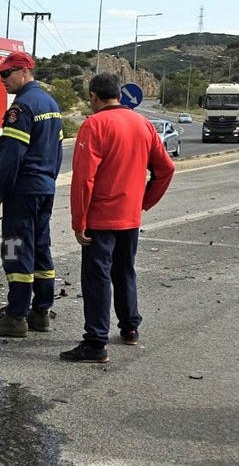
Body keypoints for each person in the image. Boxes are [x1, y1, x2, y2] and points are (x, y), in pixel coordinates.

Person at [61, 73, 175, 363]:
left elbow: (84, 179)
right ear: (120, 95)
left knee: (97, 278)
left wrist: (79, 222)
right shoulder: (143, 124)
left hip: (101, 219)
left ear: (93, 97)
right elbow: (166, 169)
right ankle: (130, 328)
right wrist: (144, 202)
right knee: (125, 271)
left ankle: (96, 343)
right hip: (130, 217)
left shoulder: (94, 125)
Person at [0, 51, 63, 337]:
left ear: (25, 72)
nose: (2, 80)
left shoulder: (21, 107)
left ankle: (16, 317)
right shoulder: (50, 104)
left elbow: (12, 156)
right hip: (44, 189)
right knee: (41, 247)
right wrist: (48, 181)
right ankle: (41, 312)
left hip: (23, 191)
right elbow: (57, 152)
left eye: (6, 74)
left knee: (17, 251)